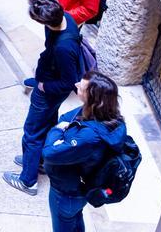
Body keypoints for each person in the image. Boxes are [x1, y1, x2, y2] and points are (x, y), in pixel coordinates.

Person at [3, 0, 84, 196]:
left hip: (48, 92)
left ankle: (28, 181)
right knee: (46, 124)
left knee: (31, 133)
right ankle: (37, 160)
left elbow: (68, 82)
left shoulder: (64, 48)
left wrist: (42, 86)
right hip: (49, 82)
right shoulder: (66, 18)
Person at [42, 71, 127, 232]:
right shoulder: (109, 116)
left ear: (93, 98)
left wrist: (57, 132)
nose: (76, 85)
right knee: (75, 220)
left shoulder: (88, 137)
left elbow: (49, 153)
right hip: (81, 188)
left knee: (64, 223)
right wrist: (63, 131)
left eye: (81, 87)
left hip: (66, 193)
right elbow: (66, 117)